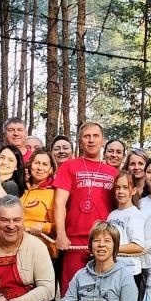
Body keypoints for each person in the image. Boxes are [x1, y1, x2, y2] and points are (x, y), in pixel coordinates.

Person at [53, 122, 120, 290]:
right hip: (74, 240)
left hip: (104, 240)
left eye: (95, 136)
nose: (91, 140)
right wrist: (61, 234)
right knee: (73, 291)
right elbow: (59, 202)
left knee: (103, 293)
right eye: (86, 136)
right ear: (80, 140)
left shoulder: (113, 173)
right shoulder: (69, 166)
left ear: (103, 140)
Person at [106, 173, 147, 281]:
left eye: (125, 188)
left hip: (130, 272)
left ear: (133, 190)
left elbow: (138, 246)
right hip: (112, 270)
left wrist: (111, 249)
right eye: (117, 188)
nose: (120, 191)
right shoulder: (112, 215)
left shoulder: (135, 214)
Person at [20, 149, 56, 254]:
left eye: (45, 164)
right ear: (30, 165)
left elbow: (59, 226)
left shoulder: (53, 193)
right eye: (36, 163)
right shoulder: (23, 189)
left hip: (43, 249)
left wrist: (42, 227)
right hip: (20, 245)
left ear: (51, 170)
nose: (40, 168)